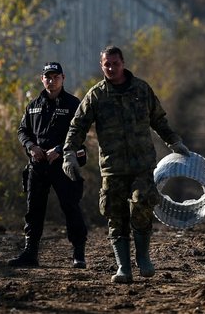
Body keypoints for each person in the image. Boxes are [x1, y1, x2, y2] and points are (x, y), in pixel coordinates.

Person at [62, 46, 189, 284]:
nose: (111, 68)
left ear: (123, 63)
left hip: (142, 164)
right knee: (115, 215)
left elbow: (158, 119)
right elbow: (77, 126)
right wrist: (69, 153)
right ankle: (123, 267)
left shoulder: (141, 89)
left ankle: (143, 258)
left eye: (115, 63)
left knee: (142, 204)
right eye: (106, 64)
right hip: (113, 167)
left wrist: (174, 142)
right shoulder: (96, 96)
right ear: (102, 66)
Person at [9, 62, 88, 268]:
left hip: (63, 165)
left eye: (55, 77)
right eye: (47, 77)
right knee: (33, 210)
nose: (51, 81)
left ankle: (79, 254)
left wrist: (60, 149)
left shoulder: (72, 104)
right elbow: (22, 131)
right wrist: (31, 147)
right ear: (42, 79)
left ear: (63, 78)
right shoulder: (33, 105)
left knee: (70, 207)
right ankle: (30, 253)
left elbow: (80, 132)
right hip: (38, 165)